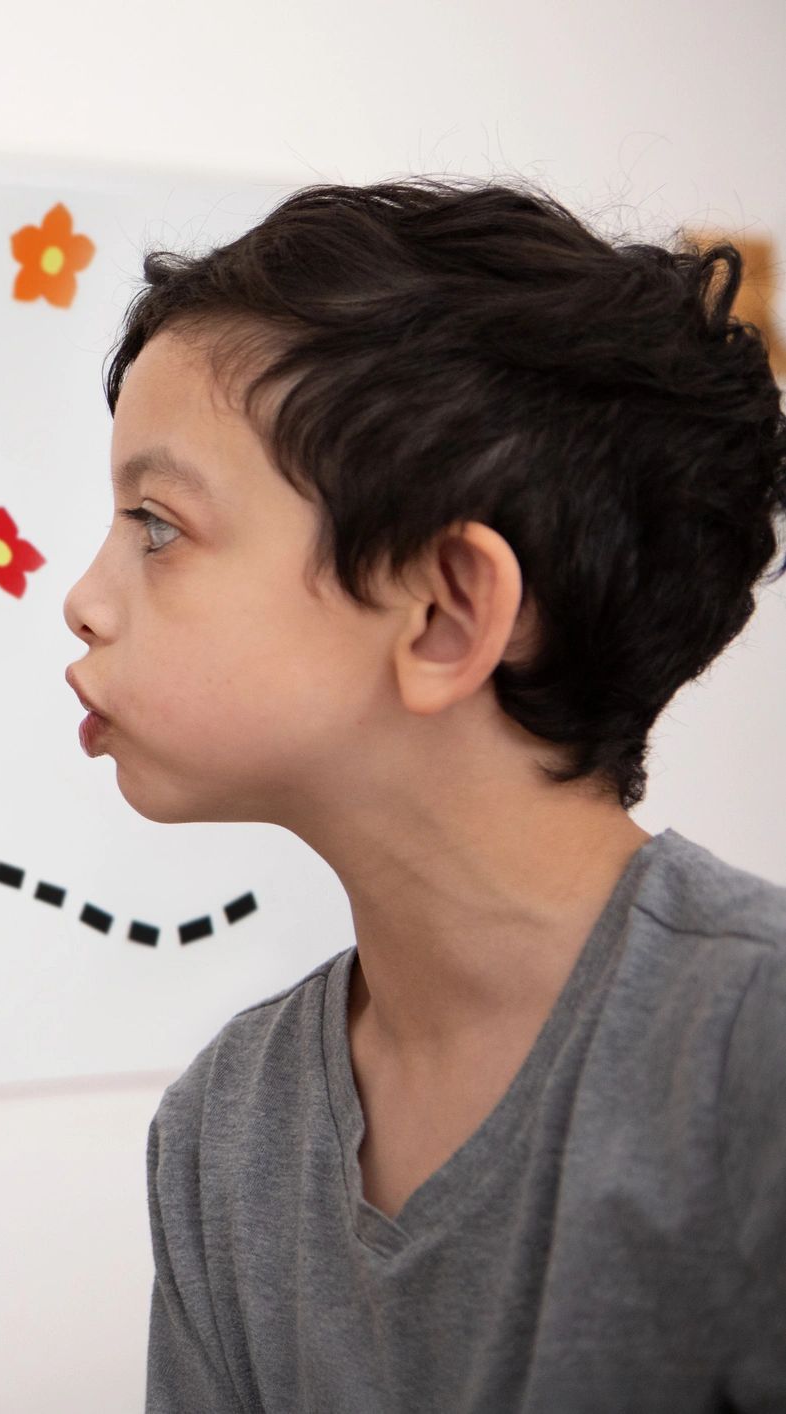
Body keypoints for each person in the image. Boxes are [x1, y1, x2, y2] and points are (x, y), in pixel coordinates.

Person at [60, 179, 786, 1410]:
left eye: (158, 524)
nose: (84, 597)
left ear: (447, 613)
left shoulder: (750, 1057)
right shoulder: (222, 1130)